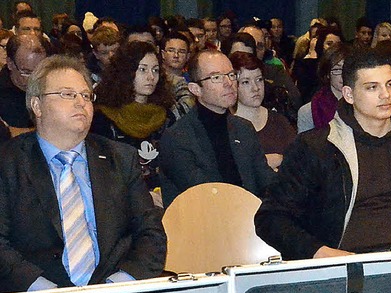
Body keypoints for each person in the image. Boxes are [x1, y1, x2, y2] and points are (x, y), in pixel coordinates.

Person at [254, 48, 391, 261]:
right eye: (372, 87)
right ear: (349, 94)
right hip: (347, 267)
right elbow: (272, 218)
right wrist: (320, 252)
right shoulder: (314, 148)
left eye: (390, 85)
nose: (385, 95)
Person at [0, 55, 166, 293]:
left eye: (86, 95)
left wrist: (118, 285)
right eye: (67, 94)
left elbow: (150, 233)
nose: (81, 103)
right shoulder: (8, 163)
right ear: (37, 105)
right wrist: (43, 292)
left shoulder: (120, 159)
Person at [159, 49, 276, 207]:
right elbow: (203, 196)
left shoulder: (243, 128)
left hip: (250, 220)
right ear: (195, 89)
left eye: (231, 75)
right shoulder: (178, 138)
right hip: (205, 223)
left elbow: (267, 183)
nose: (228, 83)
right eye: (216, 77)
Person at [91, 41, 175, 195]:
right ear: (126, 72)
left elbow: (175, 166)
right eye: (142, 70)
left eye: (155, 70)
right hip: (122, 199)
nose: (151, 77)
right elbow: (102, 173)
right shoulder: (103, 119)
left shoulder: (166, 117)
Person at [230, 51, 296, 171]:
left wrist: (281, 160)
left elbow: (299, 161)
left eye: (259, 80)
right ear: (233, 85)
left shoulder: (279, 121)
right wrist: (264, 163)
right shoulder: (228, 126)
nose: (255, 88)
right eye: (246, 82)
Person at [0, 33, 49, 133]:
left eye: (40, 71)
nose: (35, 78)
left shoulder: (53, 84)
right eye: (27, 72)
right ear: (10, 64)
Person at [297, 43, 350, 132]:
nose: (343, 75)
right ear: (327, 73)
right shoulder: (308, 112)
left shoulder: (365, 105)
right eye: (337, 69)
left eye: (347, 69)